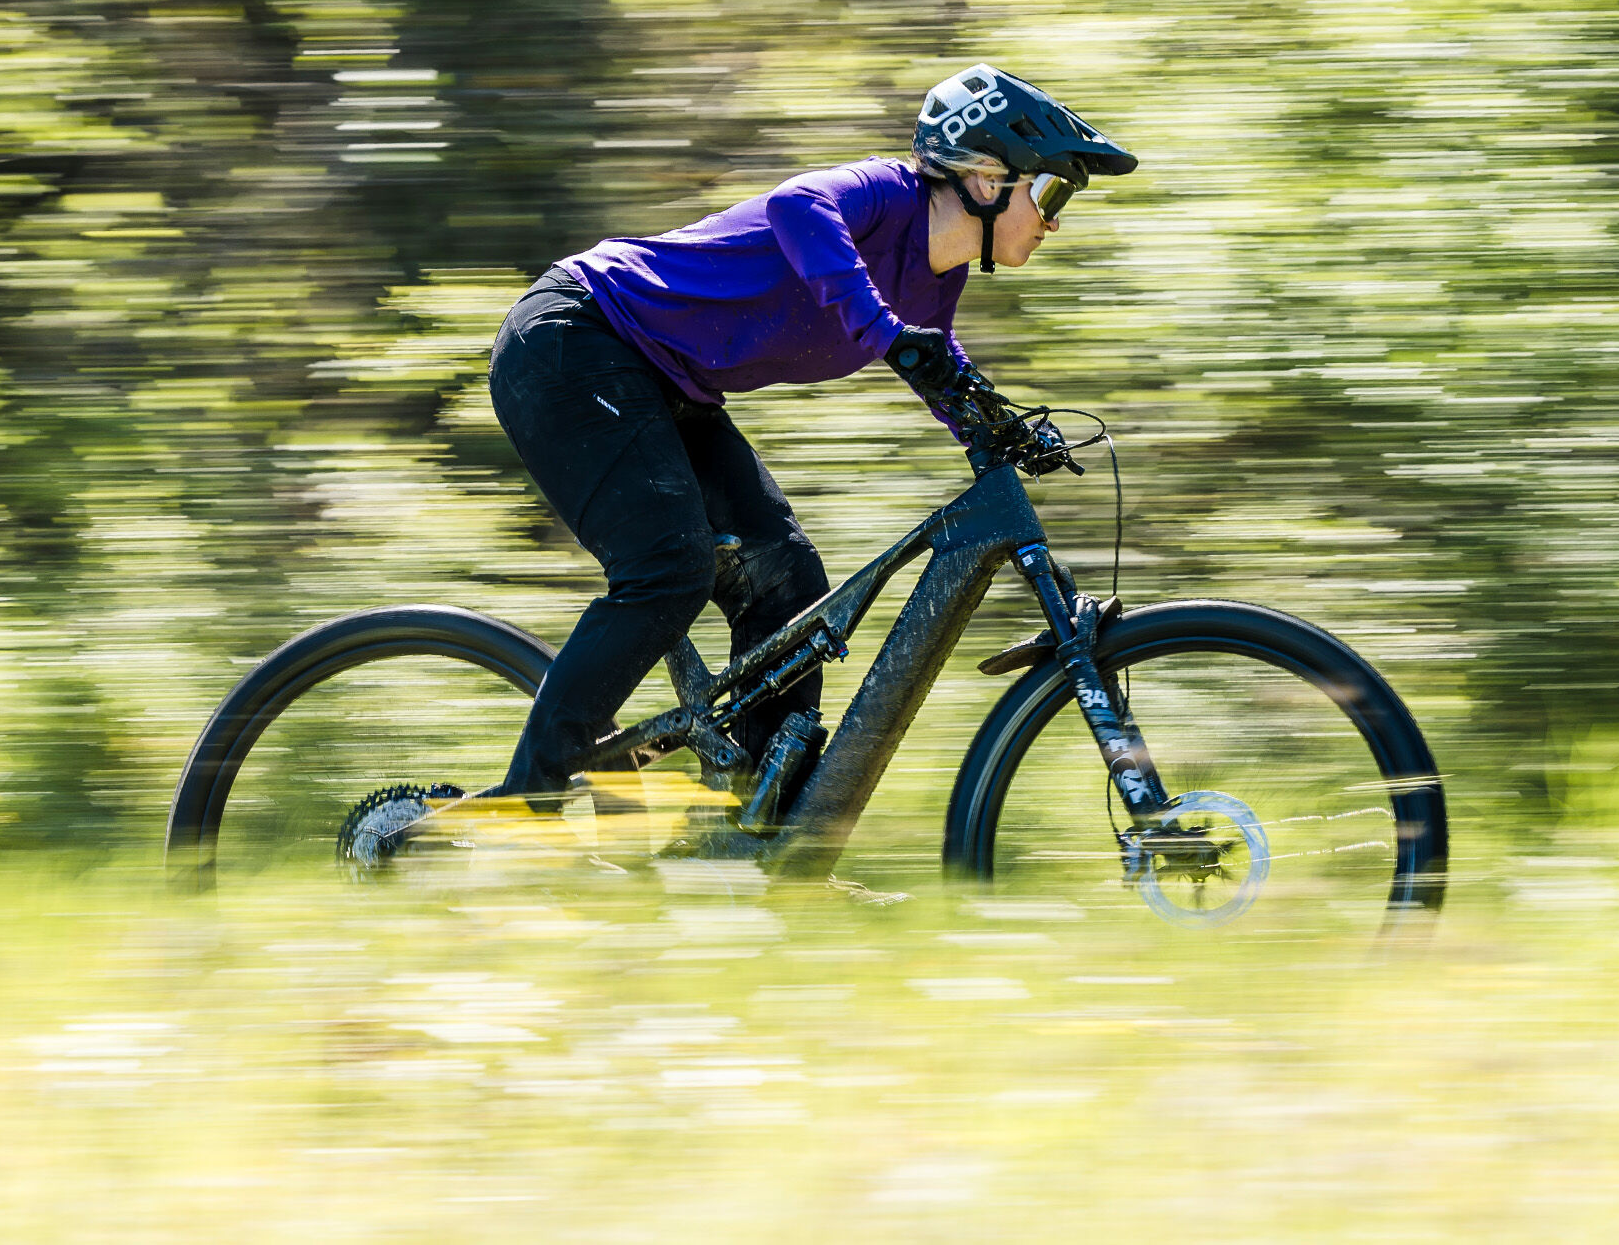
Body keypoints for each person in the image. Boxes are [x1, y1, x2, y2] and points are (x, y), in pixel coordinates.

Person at [482, 64, 1139, 805]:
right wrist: (885, 332)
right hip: (576, 339)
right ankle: (525, 805)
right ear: (987, 180)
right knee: (670, 569)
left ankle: (764, 830)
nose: (1055, 219)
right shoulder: (886, 194)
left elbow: (934, 359)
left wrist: (993, 427)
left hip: (664, 383)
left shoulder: (936, 279)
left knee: (787, 579)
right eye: (1051, 193)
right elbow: (799, 206)